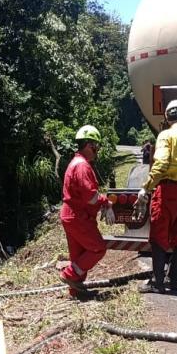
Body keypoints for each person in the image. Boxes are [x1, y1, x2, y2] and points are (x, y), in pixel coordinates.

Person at [135, 100, 177, 293]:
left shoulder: (166, 135)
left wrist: (146, 187)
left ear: (167, 117)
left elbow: (162, 163)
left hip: (166, 191)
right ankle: (174, 282)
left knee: (159, 236)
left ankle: (158, 282)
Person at [60, 125, 115, 297]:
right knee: (98, 248)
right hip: (78, 216)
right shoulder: (82, 166)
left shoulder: (76, 163)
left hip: (71, 215)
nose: (97, 150)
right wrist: (106, 202)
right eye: (96, 146)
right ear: (90, 145)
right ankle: (69, 275)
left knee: (79, 256)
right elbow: (90, 197)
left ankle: (75, 291)